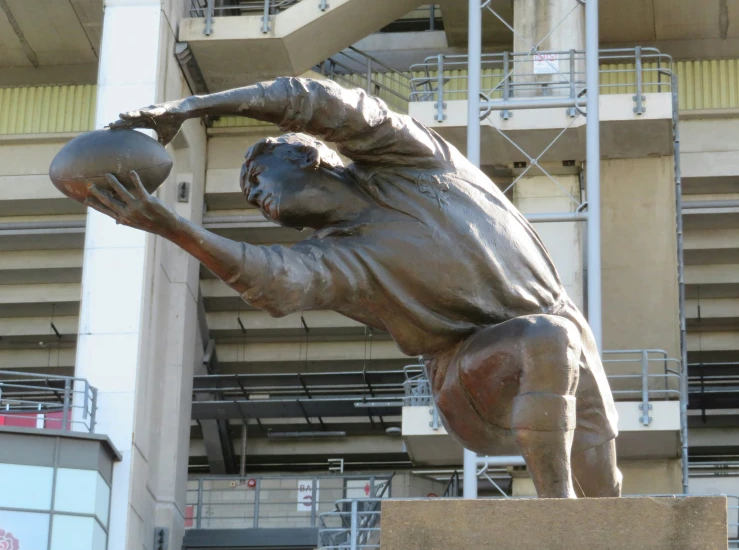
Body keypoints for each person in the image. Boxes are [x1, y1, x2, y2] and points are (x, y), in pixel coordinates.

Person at [89, 76, 620, 498]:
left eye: (257, 181)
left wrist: (191, 108)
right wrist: (169, 224)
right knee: (544, 339)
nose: (258, 201)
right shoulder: (341, 258)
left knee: (609, 483)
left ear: (306, 158)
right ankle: (558, 515)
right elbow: (272, 281)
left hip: (563, 328)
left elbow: (317, 100)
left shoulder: (415, 161)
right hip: (469, 371)